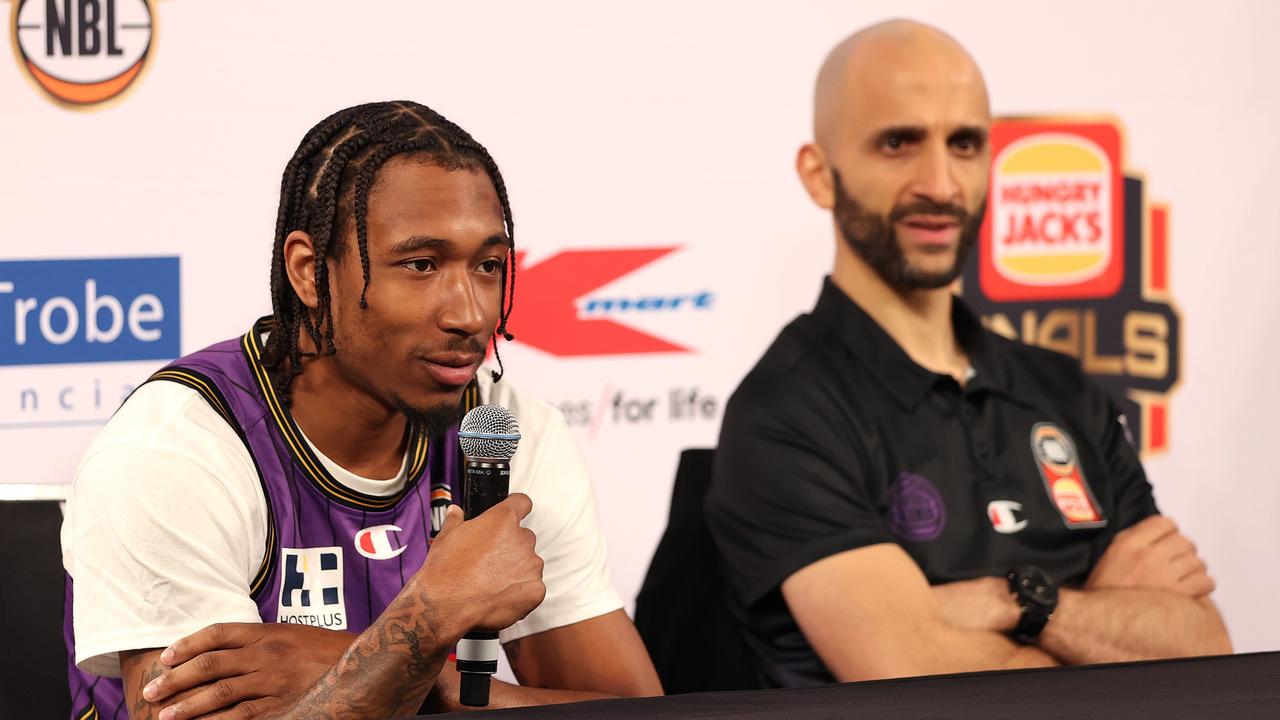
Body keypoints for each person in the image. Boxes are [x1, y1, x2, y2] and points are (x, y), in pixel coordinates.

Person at [61, 100, 661, 720]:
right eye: (421, 265)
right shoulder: (175, 449)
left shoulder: (503, 432)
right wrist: (425, 628)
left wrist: (384, 671)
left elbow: (643, 714)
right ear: (310, 273)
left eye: (487, 266)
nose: (471, 314)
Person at [705, 20, 1231, 688]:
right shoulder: (785, 414)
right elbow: (915, 678)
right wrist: (1104, 607)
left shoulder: (1061, 388)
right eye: (898, 142)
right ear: (819, 175)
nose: (942, 183)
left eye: (965, 144)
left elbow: (1206, 648)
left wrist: (1013, 601)